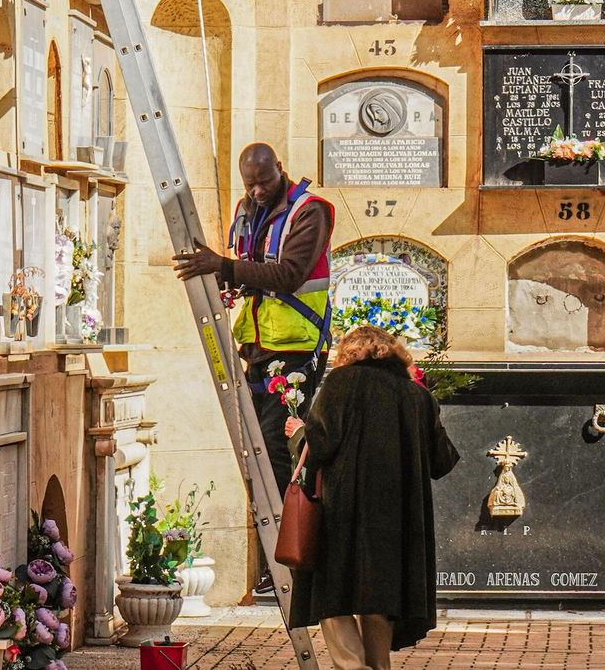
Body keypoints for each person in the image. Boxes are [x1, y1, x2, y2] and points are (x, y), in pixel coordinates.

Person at [173, 142, 333, 596]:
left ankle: (288, 557)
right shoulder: (248, 210)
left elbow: (289, 274)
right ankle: (274, 555)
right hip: (258, 349)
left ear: (280, 169)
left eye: (264, 181)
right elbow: (246, 269)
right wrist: (218, 272)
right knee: (256, 452)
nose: (257, 191)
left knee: (280, 453)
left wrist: (223, 266)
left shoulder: (310, 211)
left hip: (296, 350)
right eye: (250, 184)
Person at [284, 325, 459, 670]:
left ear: (348, 353)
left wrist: (299, 433)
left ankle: (352, 666)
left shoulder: (340, 383)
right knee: (380, 596)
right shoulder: (417, 395)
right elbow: (442, 460)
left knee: (331, 595)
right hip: (399, 516)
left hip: (344, 511)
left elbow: (322, 445)